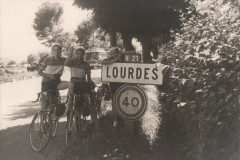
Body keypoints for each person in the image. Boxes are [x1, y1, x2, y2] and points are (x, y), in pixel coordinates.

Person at [65, 46, 100, 131]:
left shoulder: (86, 64)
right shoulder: (72, 62)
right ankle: (68, 123)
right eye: (78, 54)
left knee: (90, 104)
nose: (79, 56)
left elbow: (88, 78)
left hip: (83, 84)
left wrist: (90, 85)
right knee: (70, 104)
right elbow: (66, 63)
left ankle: (97, 125)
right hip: (73, 84)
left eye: (81, 54)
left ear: (84, 55)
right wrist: (70, 54)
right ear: (75, 54)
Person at [38, 43, 70, 110]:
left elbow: (72, 64)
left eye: (58, 50)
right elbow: (39, 72)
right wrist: (49, 75)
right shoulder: (47, 59)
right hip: (46, 83)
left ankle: (69, 103)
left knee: (71, 85)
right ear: (52, 51)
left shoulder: (64, 60)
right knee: (44, 106)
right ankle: (41, 118)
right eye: (54, 50)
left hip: (57, 83)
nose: (56, 52)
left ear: (61, 51)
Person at [101, 47, 124, 127]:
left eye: (116, 53)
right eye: (112, 53)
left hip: (124, 85)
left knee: (123, 102)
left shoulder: (123, 59)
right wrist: (114, 60)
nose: (114, 54)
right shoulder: (109, 59)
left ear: (119, 53)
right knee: (115, 104)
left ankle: (123, 119)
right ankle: (116, 121)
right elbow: (102, 62)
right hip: (113, 86)